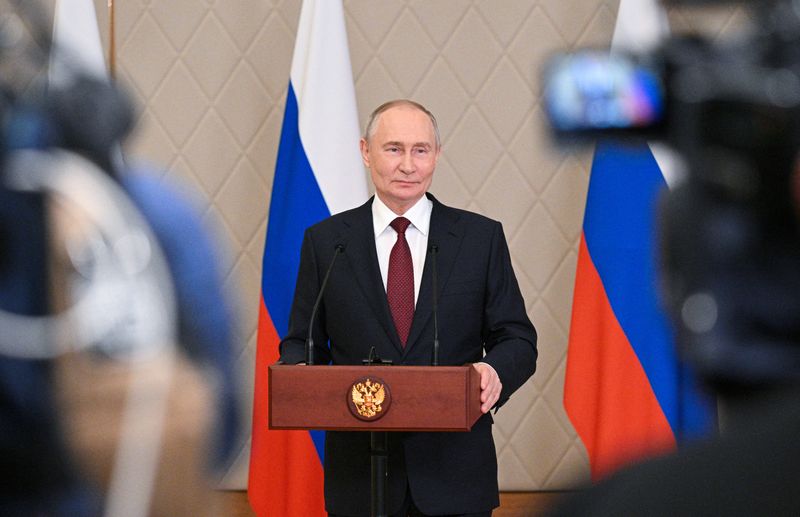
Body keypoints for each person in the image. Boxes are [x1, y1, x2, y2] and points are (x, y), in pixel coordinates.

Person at [278, 99, 538, 516]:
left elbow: (518, 339)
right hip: (359, 478)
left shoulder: (480, 239)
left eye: (420, 150)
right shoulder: (327, 242)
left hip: (454, 474)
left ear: (437, 155)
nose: (408, 165)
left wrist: (493, 371)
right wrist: (301, 376)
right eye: (394, 148)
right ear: (365, 151)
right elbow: (300, 344)